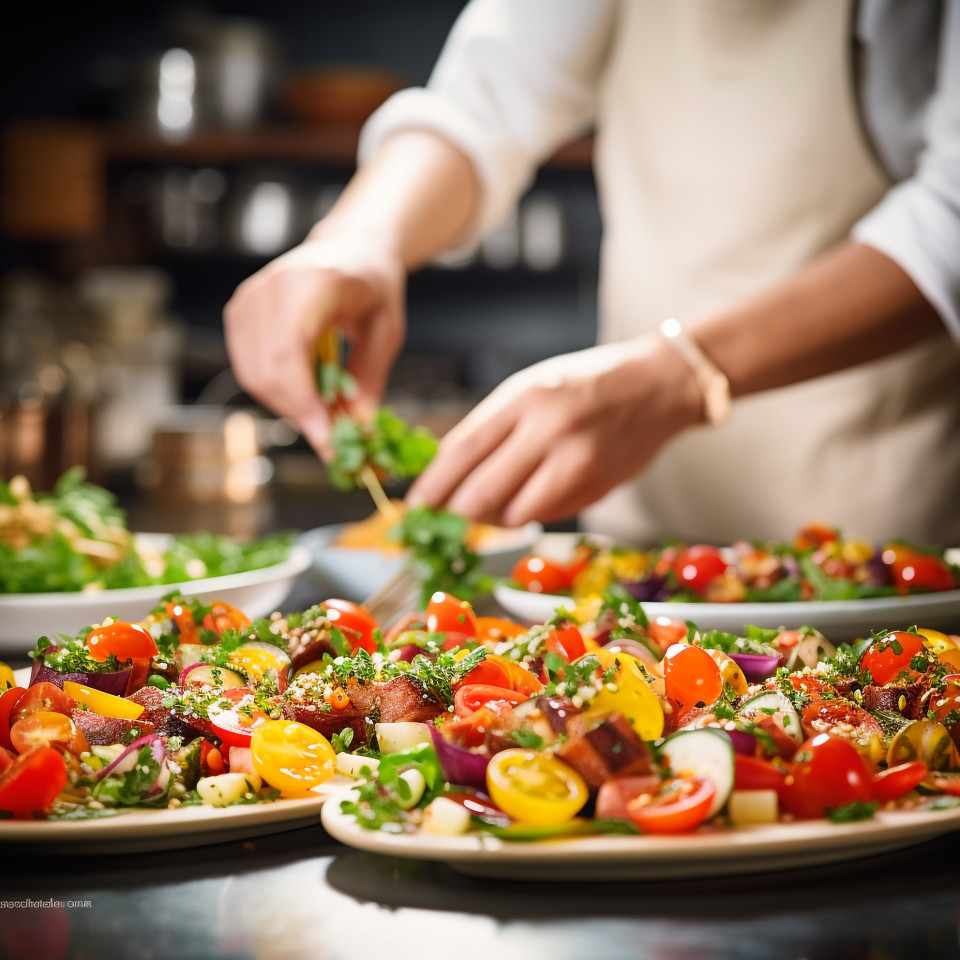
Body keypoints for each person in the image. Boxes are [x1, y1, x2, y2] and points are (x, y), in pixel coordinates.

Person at [224, 0, 960, 545]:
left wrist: (680, 373)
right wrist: (357, 239)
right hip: (640, 539)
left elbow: (949, 222)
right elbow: (486, 100)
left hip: (885, 543)